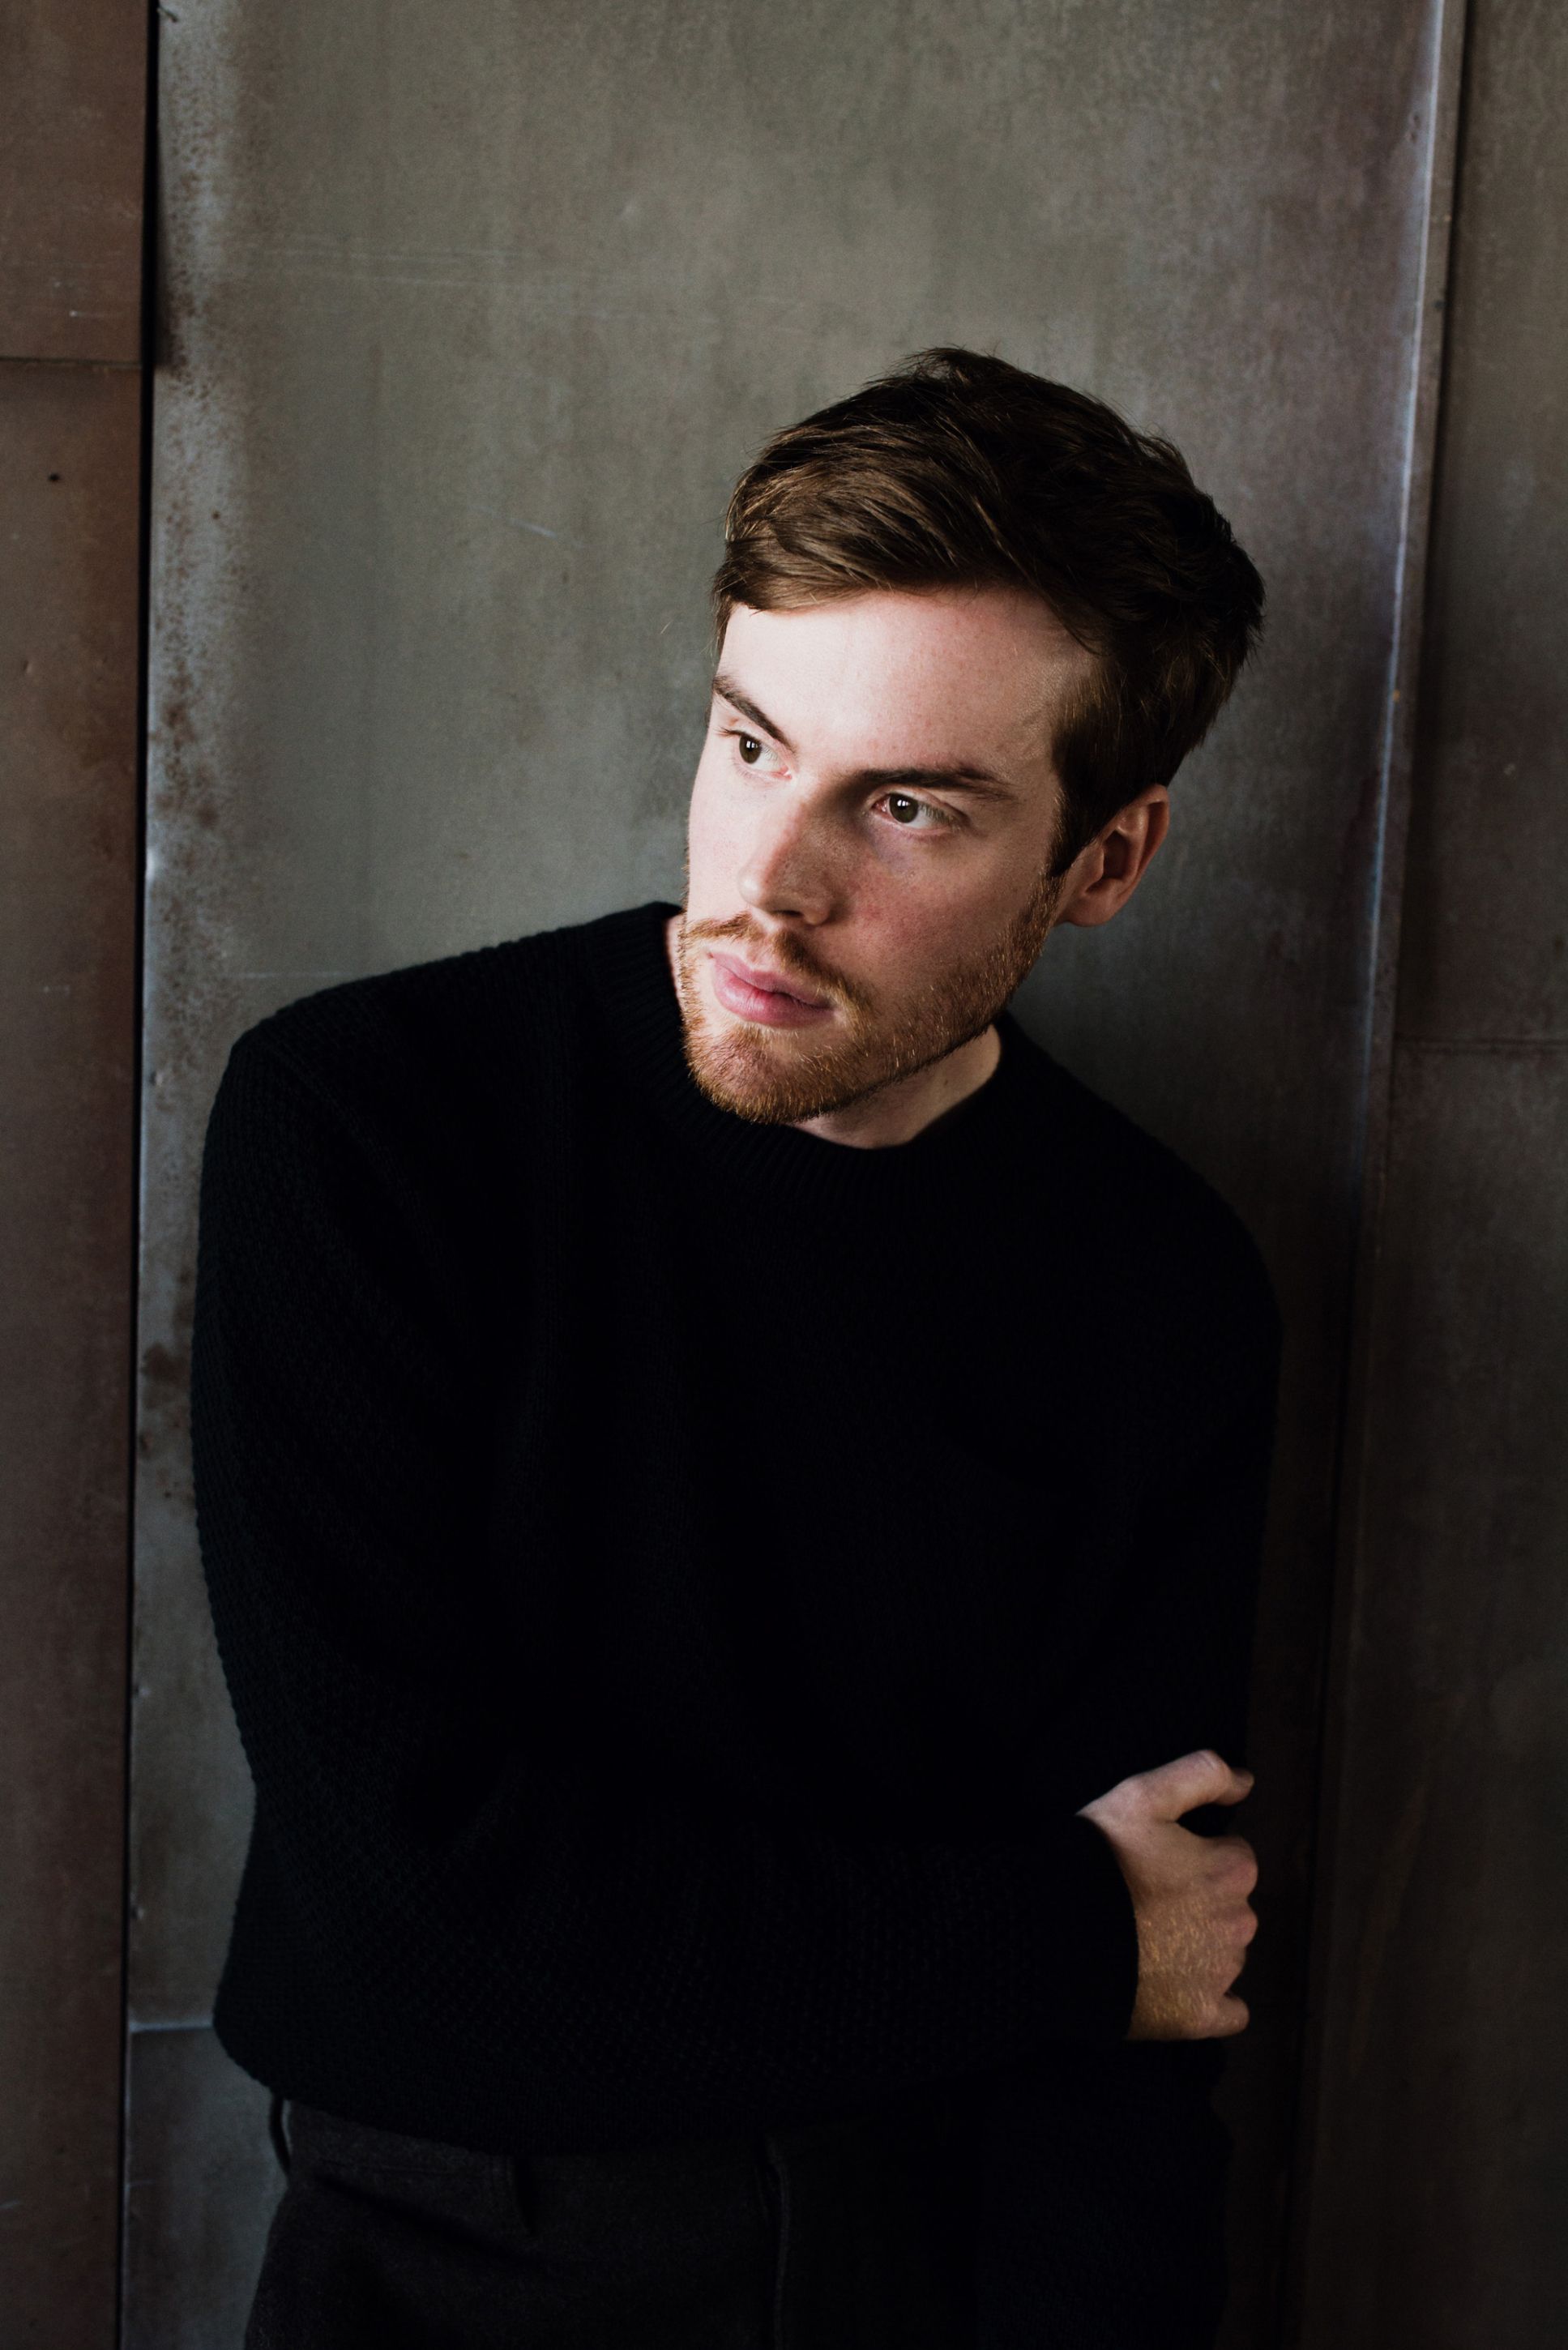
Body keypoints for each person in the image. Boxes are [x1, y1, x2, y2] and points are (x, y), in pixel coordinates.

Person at [193, 347, 1278, 2349]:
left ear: (1103, 861)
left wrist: (1089, 1969)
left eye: (906, 807)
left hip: (924, 2257)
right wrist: (1051, 1930)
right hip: (453, 2253)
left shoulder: (1154, 1282)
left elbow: (1149, 2022)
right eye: (751, 743)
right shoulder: (369, 1125)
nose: (770, 887)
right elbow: (412, 1896)